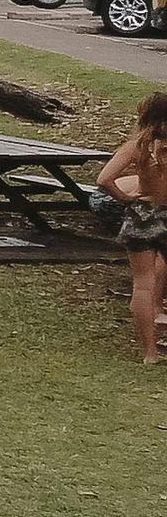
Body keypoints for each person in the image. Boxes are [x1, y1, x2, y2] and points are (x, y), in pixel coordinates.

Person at [99, 93, 167, 363]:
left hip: (142, 214)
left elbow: (104, 179)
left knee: (142, 285)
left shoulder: (136, 147)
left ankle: (150, 352)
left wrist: (125, 197)